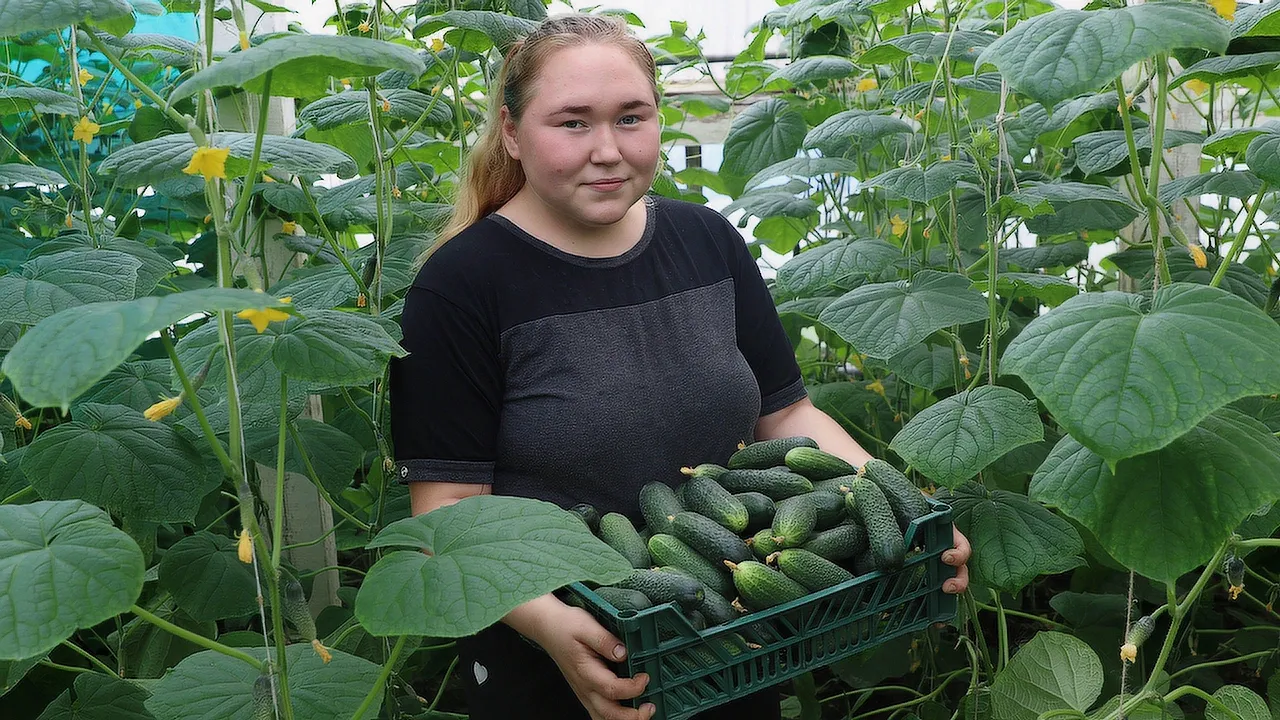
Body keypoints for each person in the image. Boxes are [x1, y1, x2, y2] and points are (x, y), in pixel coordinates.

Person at [389, 12, 971, 720]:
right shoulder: (462, 286)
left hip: (735, 635)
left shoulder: (707, 241)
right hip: (561, 656)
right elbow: (450, 514)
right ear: (511, 133)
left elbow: (786, 414)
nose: (608, 149)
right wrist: (550, 625)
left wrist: (905, 511)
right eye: (572, 123)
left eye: (631, 117)